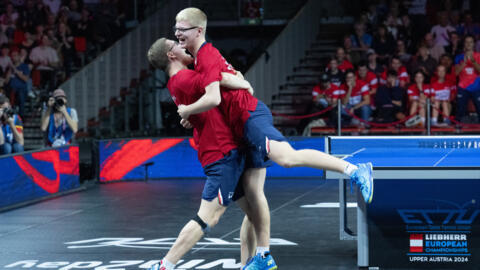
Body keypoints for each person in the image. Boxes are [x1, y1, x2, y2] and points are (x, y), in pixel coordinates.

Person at [171, 8, 373, 270]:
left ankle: (356, 170)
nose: (177, 34)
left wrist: (189, 109)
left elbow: (216, 95)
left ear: (198, 31)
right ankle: (256, 260)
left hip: (249, 117)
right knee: (253, 202)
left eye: (182, 29)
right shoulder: (199, 61)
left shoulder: (206, 54)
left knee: (287, 158)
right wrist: (228, 91)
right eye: (175, 30)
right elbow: (229, 79)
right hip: (238, 129)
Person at [147, 37, 261, 270]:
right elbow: (222, 80)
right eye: (176, 43)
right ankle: (164, 266)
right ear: (171, 55)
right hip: (222, 155)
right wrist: (243, 82)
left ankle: (247, 265)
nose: (184, 45)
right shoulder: (186, 78)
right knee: (208, 217)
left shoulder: (177, 83)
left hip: (229, 150)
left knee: (255, 212)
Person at [454, 35, 480, 122]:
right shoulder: (459, 57)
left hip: (476, 87)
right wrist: (464, 62)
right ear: (464, 44)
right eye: (467, 42)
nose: (468, 44)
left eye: (471, 42)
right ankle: (458, 130)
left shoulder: (478, 56)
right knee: (460, 110)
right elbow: (456, 73)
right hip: (463, 87)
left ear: (474, 44)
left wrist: (473, 61)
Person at [6, 50, 30, 118]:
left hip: (21, 89)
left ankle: (21, 117)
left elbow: (25, 79)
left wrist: (16, 71)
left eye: (15, 55)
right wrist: (10, 71)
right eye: (12, 56)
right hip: (11, 89)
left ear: (19, 56)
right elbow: (6, 81)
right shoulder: (10, 68)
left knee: (20, 95)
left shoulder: (24, 66)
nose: (14, 57)